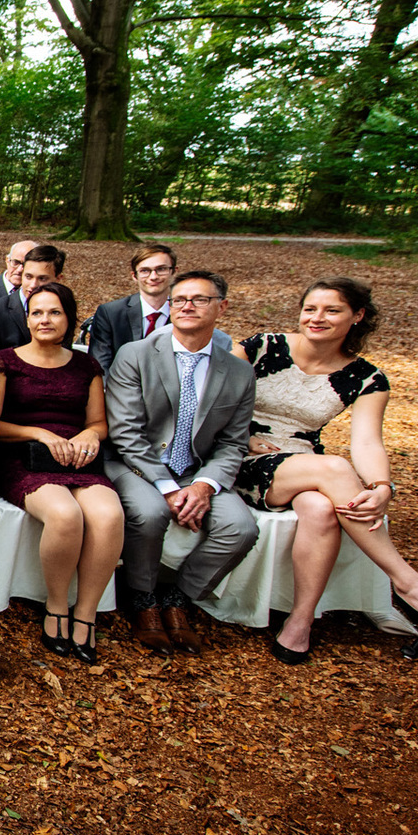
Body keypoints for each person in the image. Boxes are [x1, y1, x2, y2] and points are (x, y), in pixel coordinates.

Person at [235, 277, 418, 662]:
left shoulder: (367, 378)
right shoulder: (261, 347)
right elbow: (208, 401)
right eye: (310, 309)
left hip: (303, 463)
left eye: (332, 310)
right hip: (241, 457)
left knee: (320, 509)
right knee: (333, 468)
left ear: (357, 316)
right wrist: (242, 438)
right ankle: (406, 581)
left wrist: (382, 486)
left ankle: (299, 622)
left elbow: (367, 442)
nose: (317, 318)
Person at [102, 271, 259, 657]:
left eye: (199, 299)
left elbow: (233, 442)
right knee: (150, 512)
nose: (187, 306)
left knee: (241, 528)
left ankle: (180, 597)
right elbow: (126, 433)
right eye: (180, 299)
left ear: (222, 307)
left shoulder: (238, 372)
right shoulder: (136, 355)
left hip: (196, 469)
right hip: (135, 464)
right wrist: (168, 488)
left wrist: (204, 485)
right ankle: (141, 598)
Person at [0, 281, 123, 666]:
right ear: (27, 319)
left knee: (108, 514)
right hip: (21, 457)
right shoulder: (5, 361)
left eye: (54, 312)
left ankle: (87, 613)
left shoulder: (86, 365)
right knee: (65, 515)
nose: (45, 319)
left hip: (77, 458)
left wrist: (86, 435)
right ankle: (56, 604)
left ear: (69, 318)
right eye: (37, 312)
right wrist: (40, 433)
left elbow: (99, 423)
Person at [89, 243, 178, 372]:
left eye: (161, 269)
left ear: (174, 272)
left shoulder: (184, 313)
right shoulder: (110, 313)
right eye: (145, 271)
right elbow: (100, 366)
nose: (153, 277)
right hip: (119, 388)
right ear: (134, 276)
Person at [0, 243, 65, 350]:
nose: (33, 285)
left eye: (42, 279)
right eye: (28, 277)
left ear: (58, 279)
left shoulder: (64, 309)